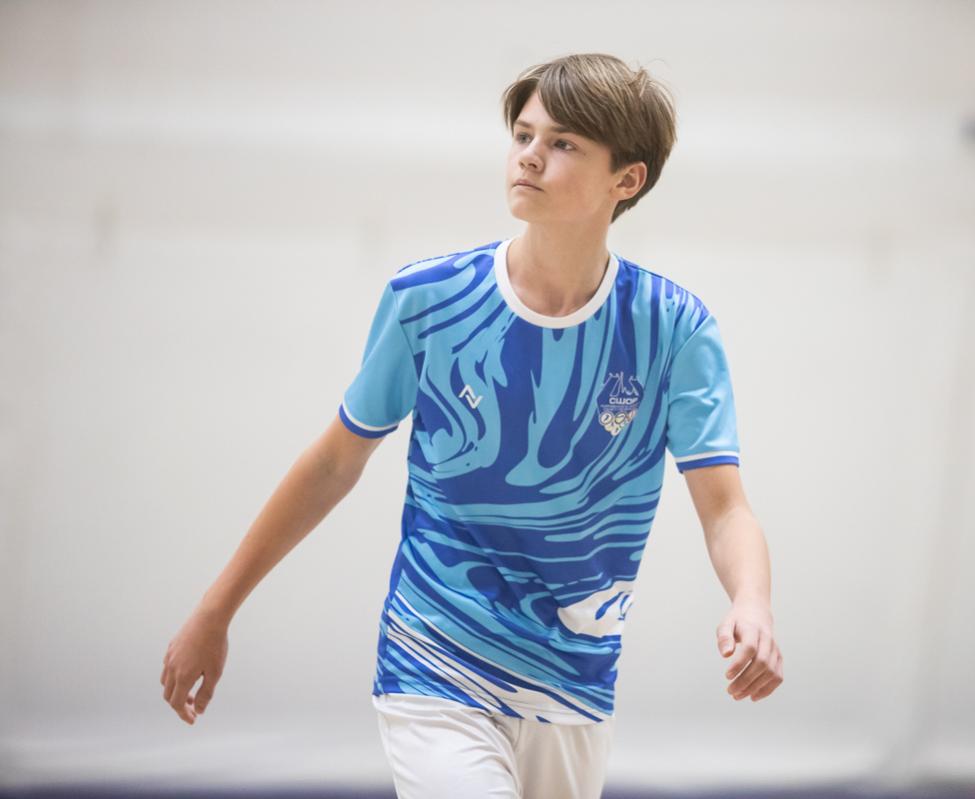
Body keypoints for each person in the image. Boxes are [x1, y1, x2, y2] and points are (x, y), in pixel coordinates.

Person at [160, 52, 782, 798]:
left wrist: (751, 602)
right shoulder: (428, 300)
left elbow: (725, 508)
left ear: (627, 179)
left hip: (573, 684)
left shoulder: (674, 328)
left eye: (563, 143)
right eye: (523, 135)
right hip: (433, 660)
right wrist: (216, 609)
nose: (530, 155)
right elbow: (332, 463)